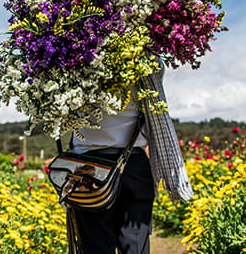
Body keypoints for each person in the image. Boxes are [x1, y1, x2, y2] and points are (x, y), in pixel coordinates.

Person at [66, 57, 194, 254]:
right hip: (133, 163)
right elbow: (158, 67)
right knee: (136, 244)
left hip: (88, 167)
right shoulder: (142, 64)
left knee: (95, 245)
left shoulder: (71, 62)